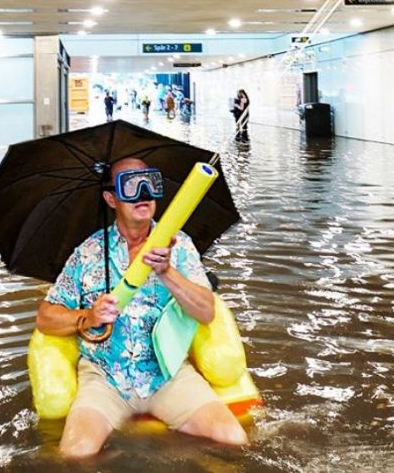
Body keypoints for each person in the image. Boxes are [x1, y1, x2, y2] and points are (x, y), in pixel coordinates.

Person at [37, 158, 248, 459]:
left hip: (168, 373)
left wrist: (167, 273)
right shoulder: (89, 251)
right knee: (75, 454)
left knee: (233, 440)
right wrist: (89, 316)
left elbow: (206, 311)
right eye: (131, 185)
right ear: (111, 198)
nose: (144, 193)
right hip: (105, 376)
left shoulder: (180, 245)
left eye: (150, 183)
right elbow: (46, 317)